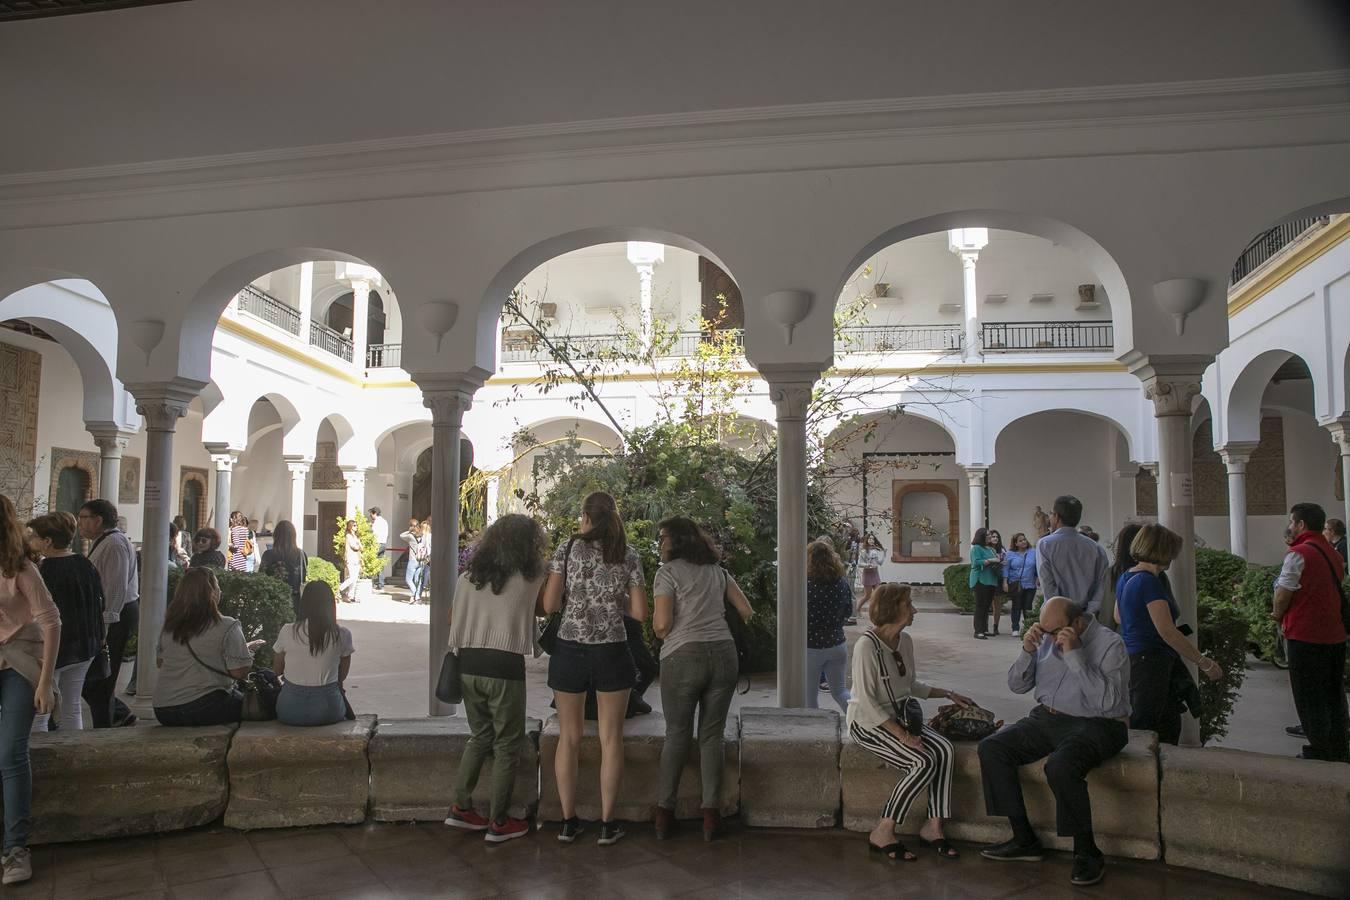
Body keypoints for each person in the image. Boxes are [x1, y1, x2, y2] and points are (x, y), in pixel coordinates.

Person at [977, 596, 1130, 887]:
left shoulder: (1111, 644)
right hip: (1047, 718)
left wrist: (1075, 656)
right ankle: (1024, 839)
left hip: (1099, 724)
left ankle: (1087, 852)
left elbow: (1109, 704)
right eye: (1043, 630)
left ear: (1077, 623)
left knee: (1060, 766)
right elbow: (1017, 685)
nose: (1047, 637)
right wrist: (1027, 650)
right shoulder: (1045, 639)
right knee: (992, 747)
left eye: (1053, 631)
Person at [542, 491, 648, 846]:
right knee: (610, 739)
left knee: (568, 738)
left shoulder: (567, 549)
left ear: (586, 516)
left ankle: (568, 822)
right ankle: (607, 824)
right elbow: (640, 613)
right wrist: (611, 602)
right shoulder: (628, 554)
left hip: (570, 647)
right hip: (612, 649)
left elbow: (549, 603)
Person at [446, 515, 550, 842]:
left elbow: (453, 618)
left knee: (479, 737)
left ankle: (461, 807)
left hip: (468, 666)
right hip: (504, 667)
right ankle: (499, 821)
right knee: (507, 745)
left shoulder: (467, 578)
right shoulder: (531, 579)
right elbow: (547, 607)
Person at [849, 583, 971, 862]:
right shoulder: (866, 647)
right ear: (893, 608)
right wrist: (904, 737)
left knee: (945, 750)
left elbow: (911, 685)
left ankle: (934, 827)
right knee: (922, 761)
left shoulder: (905, 641)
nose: (914, 609)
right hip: (869, 723)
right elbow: (867, 703)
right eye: (908, 604)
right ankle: (883, 830)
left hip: (901, 717)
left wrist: (948, 693)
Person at [650, 516, 753, 842]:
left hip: (682, 658)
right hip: (723, 655)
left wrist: (658, 629)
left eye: (663, 537)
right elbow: (746, 610)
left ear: (676, 541)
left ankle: (664, 813)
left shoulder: (667, 573)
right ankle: (711, 816)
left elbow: (663, 626)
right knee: (712, 736)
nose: (660, 543)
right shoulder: (718, 572)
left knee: (677, 734)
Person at [1114, 524, 1222, 745]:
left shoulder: (1126, 576)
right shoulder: (1149, 582)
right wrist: (1204, 662)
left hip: (1135, 658)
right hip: (1151, 661)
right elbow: (1167, 632)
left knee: (1156, 720)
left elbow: (1118, 616)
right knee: (1153, 727)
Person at [0, 495, 61, 886]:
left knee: (10, 753)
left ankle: (16, 848)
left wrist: (45, 683)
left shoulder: (20, 568)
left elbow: (51, 622)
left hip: (21, 663)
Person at [1273, 503, 1348, 762]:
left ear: (1301, 524)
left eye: (1293, 522)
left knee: (1308, 694)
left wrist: (1276, 614)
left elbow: (1284, 593)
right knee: (1332, 692)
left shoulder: (1299, 554)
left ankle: (1319, 748)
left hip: (1306, 634)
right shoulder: (1332, 552)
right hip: (1335, 633)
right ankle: (1338, 746)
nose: (1291, 527)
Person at [26, 512, 103, 732]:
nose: (31, 542)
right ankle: (72, 755)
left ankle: (40, 759)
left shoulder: (44, 570)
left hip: (56, 647)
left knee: (41, 708)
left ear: (47, 541)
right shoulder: (84, 563)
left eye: (34, 537)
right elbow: (100, 603)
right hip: (85, 644)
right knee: (72, 705)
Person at [153, 567, 254, 726]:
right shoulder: (227, 625)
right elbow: (239, 672)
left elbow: (160, 663)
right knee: (261, 704)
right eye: (217, 586)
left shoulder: (170, 626)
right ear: (212, 592)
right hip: (202, 707)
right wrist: (248, 653)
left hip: (163, 709)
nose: (220, 590)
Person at [77, 499, 138, 728]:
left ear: (98, 520)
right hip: (107, 616)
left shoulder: (114, 544)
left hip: (116, 616)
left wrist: (106, 625)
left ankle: (105, 726)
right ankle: (119, 714)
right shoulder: (105, 542)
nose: (79, 523)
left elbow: (115, 587)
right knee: (95, 678)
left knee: (102, 678)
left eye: (83, 518)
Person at [273, 581, 353, 727]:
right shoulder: (342, 634)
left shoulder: (287, 630)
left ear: (304, 604)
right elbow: (342, 675)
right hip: (329, 709)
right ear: (331, 605)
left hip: (289, 709)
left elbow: (277, 670)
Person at [1036, 496, 1110, 617]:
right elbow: (1102, 585)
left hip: (1057, 614)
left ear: (1056, 516)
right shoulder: (1096, 548)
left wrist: (1060, 613)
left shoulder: (1045, 544)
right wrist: (1089, 611)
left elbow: (1047, 584)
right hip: (1087, 616)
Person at [805, 539, 853, 713]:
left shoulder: (805, 586)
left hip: (810, 647)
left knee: (808, 697)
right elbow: (849, 611)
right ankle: (863, 722)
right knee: (840, 691)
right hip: (837, 644)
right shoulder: (841, 583)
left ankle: (815, 733)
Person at [260, 520, 308, 615]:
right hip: (294, 603)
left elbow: (261, 579)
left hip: (272, 603)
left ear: (276, 536)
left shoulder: (268, 555)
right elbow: (303, 578)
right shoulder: (301, 554)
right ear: (294, 536)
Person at [1001, 533, 1037, 634]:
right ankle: (1015, 628)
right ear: (1016, 543)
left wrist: (1038, 577)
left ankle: (1028, 628)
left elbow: (1038, 566)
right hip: (1015, 583)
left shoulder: (1033, 552)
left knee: (1028, 606)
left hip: (1030, 583)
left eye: (1024, 540)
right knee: (1016, 606)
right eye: (1020, 541)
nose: (1023, 542)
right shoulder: (1009, 554)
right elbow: (1005, 569)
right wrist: (1005, 582)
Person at [969, 528, 1000, 639]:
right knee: (980, 605)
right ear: (981, 536)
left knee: (987, 607)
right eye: (987, 535)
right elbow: (976, 562)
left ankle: (984, 629)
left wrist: (999, 561)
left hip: (991, 579)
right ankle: (978, 631)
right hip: (980, 580)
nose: (990, 537)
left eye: (990, 535)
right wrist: (990, 561)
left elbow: (996, 560)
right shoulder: (976, 548)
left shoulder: (991, 549)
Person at [858, 533, 885, 618]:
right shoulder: (863, 551)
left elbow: (879, 563)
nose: (871, 540)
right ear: (866, 540)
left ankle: (876, 612)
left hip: (875, 574)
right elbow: (859, 564)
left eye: (873, 539)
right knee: (867, 595)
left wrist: (884, 554)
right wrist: (867, 565)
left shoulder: (875, 550)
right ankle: (857, 609)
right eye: (870, 539)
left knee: (878, 594)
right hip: (868, 574)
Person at [987, 530, 1008, 635]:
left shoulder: (1002, 551)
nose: (995, 538)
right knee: (986, 604)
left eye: (997, 537)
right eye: (993, 536)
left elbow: (1005, 566)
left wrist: (1005, 581)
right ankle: (983, 627)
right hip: (987, 578)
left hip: (998, 579)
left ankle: (996, 626)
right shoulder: (985, 549)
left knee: (997, 604)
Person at [338, 519, 362, 603]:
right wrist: (358, 545)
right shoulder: (348, 536)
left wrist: (358, 545)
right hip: (351, 558)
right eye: (354, 525)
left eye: (356, 525)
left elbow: (361, 547)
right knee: (352, 577)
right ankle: (339, 589)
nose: (356, 527)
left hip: (357, 559)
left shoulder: (356, 536)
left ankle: (350, 596)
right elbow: (354, 547)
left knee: (355, 578)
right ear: (350, 526)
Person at [368, 507, 389, 590]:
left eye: (371, 514)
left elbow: (374, 534)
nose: (370, 516)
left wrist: (370, 527)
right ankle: (381, 584)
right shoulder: (384, 521)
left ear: (374, 513)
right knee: (380, 564)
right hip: (383, 544)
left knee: (371, 562)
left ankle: (371, 582)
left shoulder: (376, 522)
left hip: (377, 544)